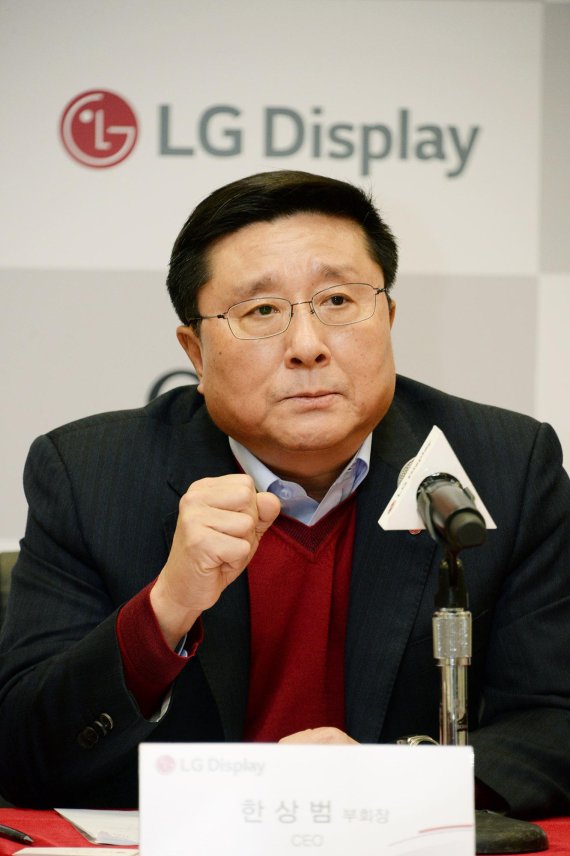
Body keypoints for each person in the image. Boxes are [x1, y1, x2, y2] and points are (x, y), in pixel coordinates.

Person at [0, 170, 569, 815]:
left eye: (338, 300)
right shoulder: (89, 474)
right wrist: (167, 608)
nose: (307, 346)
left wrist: (396, 777)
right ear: (195, 352)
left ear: (387, 317)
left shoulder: (505, 466)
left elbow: (555, 721)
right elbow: (21, 754)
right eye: (262, 311)